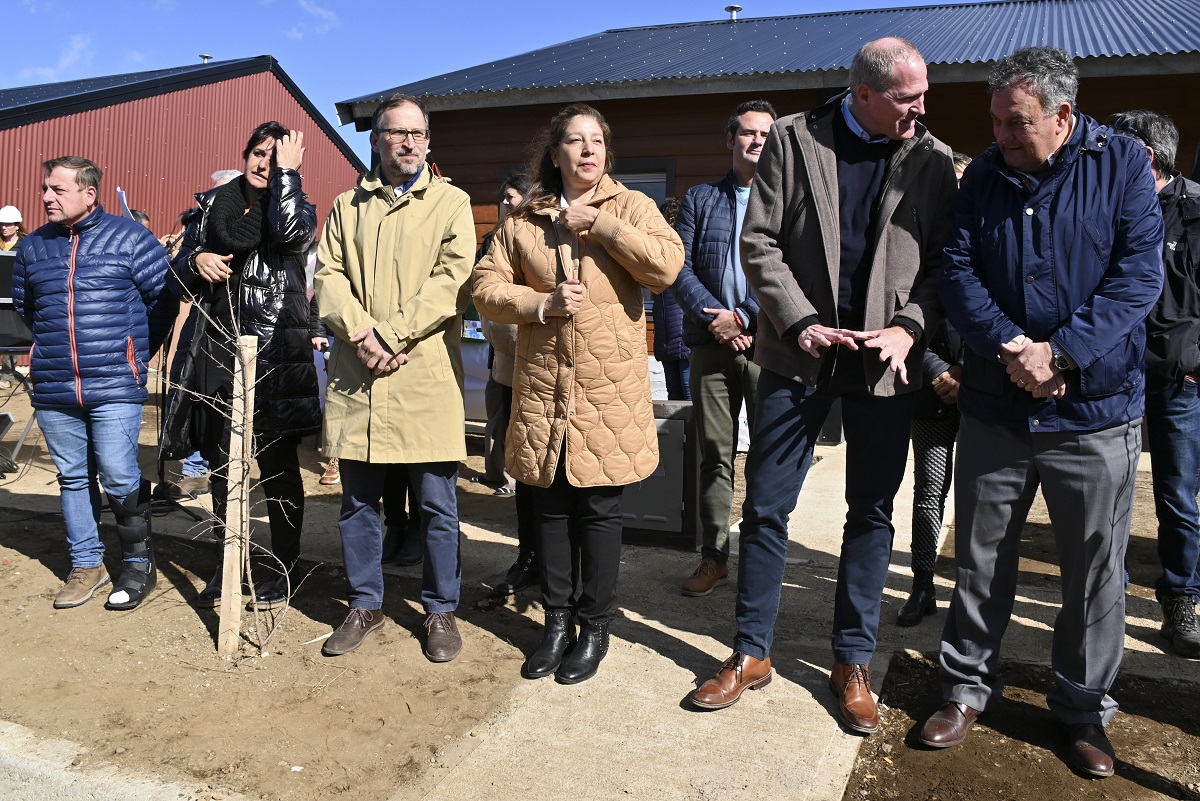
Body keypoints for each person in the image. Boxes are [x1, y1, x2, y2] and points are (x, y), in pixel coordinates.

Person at [689, 39, 957, 735]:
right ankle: (751, 652)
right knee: (768, 509)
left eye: (923, 94)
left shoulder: (930, 158)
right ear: (863, 93)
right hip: (795, 356)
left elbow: (944, 265)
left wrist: (909, 327)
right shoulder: (791, 139)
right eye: (908, 97)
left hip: (883, 364)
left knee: (871, 511)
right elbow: (760, 243)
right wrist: (801, 320)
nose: (922, 108)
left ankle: (852, 660)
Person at [919, 47, 1163, 780]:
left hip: (1095, 411)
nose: (1001, 135)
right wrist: (1012, 346)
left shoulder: (1119, 164)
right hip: (998, 409)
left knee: (1095, 570)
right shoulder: (986, 175)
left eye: (1017, 122)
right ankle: (965, 687)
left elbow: (1137, 276)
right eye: (995, 121)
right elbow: (956, 269)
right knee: (981, 560)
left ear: (1063, 115)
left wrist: (1060, 355)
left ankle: (1082, 707)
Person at [474, 103, 684, 684]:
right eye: (574, 140)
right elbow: (484, 289)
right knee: (549, 505)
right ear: (555, 151)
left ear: (607, 152)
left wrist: (604, 227)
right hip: (542, 386)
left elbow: (666, 268)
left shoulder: (634, 207)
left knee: (598, 509)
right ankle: (556, 623)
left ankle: (595, 627)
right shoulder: (524, 220)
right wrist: (538, 304)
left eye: (597, 141)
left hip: (605, 388)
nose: (587, 150)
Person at [314, 93, 476, 661]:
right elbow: (328, 276)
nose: (408, 142)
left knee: (437, 504)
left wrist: (391, 335)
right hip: (359, 374)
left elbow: (451, 280)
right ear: (376, 140)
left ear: (428, 141)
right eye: (395, 132)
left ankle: (440, 611)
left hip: (422, 374)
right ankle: (365, 603)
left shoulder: (452, 203)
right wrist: (362, 333)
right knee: (358, 504)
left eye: (417, 133)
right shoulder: (345, 206)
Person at [163, 122, 323, 612]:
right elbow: (177, 269)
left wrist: (287, 179)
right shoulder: (214, 204)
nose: (263, 163)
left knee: (276, 467)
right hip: (215, 345)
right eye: (258, 153)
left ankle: (282, 566)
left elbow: (291, 235)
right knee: (221, 463)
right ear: (245, 153)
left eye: (275, 158)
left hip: (274, 350)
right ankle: (229, 562)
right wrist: (198, 260)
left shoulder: (296, 204)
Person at [13, 156, 171, 610]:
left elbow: (161, 302)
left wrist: (134, 355)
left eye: (57, 190)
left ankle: (139, 563)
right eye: (45, 188)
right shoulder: (34, 247)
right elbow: (28, 308)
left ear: (89, 194)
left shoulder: (130, 239)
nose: (46, 197)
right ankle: (87, 565)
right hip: (55, 384)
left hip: (116, 382)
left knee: (119, 473)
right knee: (73, 477)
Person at [671, 99, 777, 597]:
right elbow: (678, 267)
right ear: (730, 140)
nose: (757, 141)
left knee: (767, 455)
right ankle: (714, 557)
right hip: (711, 344)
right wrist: (717, 318)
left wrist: (748, 317)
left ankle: (759, 558)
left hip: (767, 345)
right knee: (715, 452)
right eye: (748, 133)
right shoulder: (699, 199)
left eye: (765, 135)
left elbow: (791, 271)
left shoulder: (785, 198)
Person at [1107, 110, 1200, 659]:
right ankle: (1106, 598)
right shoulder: (1109, 206)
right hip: (1114, 379)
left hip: (1178, 382)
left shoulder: (1194, 210)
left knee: (1176, 494)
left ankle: (1181, 598)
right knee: (1108, 494)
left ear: (1144, 155)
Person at [898, 151, 971, 627]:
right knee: (929, 492)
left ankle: (972, 595)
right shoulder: (917, 246)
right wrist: (937, 370)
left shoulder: (990, 243)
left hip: (985, 393)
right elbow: (898, 314)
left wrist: (966, 371)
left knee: (981, 498)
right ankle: (922, 585)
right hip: (930, 391)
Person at [477, 173, 539, 594]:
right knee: (521, 468)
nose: (506, 205)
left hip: (545, 374)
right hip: (506, 371)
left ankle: (554, 561)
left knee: (546, 475)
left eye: (514, 198)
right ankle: (528, 556)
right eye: (503, 199)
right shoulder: (493, 246)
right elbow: (489, 304)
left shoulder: (544, 241)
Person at [652, 197, 690, 402]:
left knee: (689, 399)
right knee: (674, 401)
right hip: (667, 341)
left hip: (686, 342)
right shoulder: (661, 257)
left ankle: (697, 437)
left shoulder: (686, 254)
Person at [0, 205, 26, 388]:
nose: (4, 228)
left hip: (14, 298)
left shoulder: (25, 245)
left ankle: (8, 376)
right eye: (2, 224)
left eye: (8, 224)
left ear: (17, 225)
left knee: (12, 337)